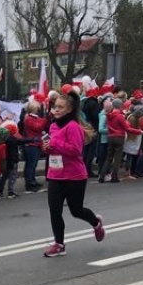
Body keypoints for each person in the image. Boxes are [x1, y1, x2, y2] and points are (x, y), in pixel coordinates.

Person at [41, 90, 104, 258]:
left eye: (61, 107)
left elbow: (76, 151)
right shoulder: (53, 126)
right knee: (54, 210)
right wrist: (46, 148)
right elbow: (53, 148)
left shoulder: (73, 127)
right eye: (56, 106)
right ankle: (59, 244)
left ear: (69, 109)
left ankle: (96, 223)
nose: (57, 109)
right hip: (55, 174)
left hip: (74, 176)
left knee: (76, 211)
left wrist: (55, 143)